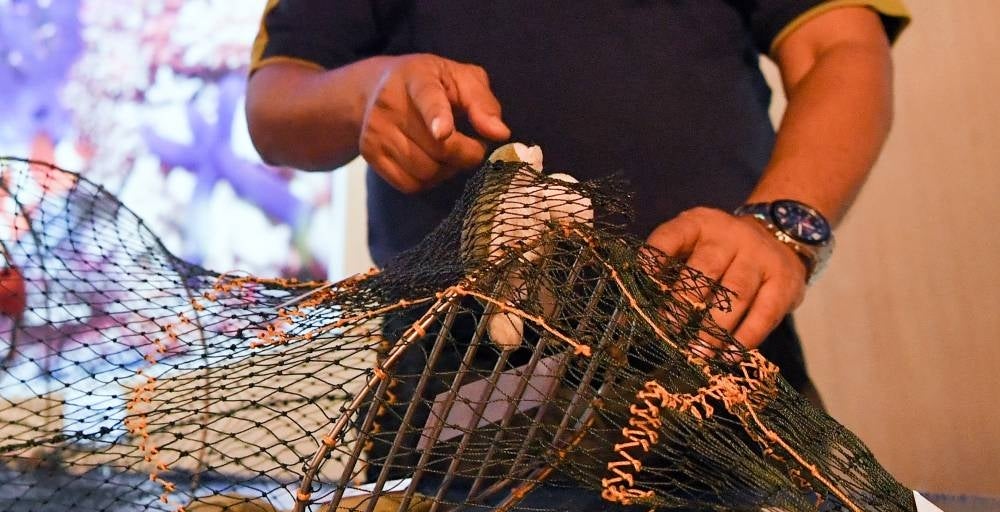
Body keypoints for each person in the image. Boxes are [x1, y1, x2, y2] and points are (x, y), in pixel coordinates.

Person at [244, 1, 909, 402]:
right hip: (452, 384)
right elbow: (275, 101)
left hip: (712, 350)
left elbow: (841, 46)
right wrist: (365, 93)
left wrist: (779, 231)